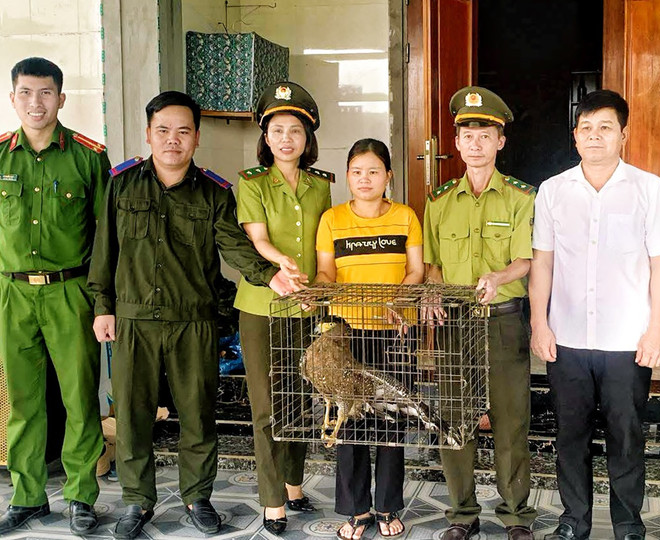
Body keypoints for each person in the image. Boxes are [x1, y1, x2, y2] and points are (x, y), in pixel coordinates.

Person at [86, 91, 279, 539]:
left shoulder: (214, 192)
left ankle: (197, 496)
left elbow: (234, 246)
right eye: (163, 130)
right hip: (133, 318)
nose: (172, 139)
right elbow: (104, 249)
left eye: (183, 131)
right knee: (132, 414)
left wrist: (270, 276)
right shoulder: (121, 184)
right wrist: (102, 307)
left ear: (196, 138)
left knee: (197, 413)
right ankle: (137, 500)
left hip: (193, 320)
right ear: (149, 134)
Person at [530, 90, 660, 540]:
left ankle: (629, 525)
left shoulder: (648, 188)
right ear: (575, 136)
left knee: (626, 435)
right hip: (567, 337)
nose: (594, 137)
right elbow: (543, 262)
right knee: (570, 435)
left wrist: (657, 329)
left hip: (627, 340)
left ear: (623, 135)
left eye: (605, 128)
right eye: (586, 129)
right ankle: (573, 520)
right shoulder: (553, 190)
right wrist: (539, 323)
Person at [0, 57, 109, 536]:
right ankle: (27, 497)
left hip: (70, 291)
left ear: (61, 98)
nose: (35, 102)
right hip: (12, 293)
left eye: (45, 92)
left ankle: (81, 496)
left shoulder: (88, 156)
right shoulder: (0, 156)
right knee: (23, 402)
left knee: (80, 399)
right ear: (12, 98)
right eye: (25, 92)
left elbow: (106, 237)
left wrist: (102, 302)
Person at [422, 86, 536, 540]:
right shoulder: (438, 201)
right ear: (456, 142)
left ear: (500, 141)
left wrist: (497, 276)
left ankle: (515, 515)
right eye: (467, 135)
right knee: (455, 419)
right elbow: (432, 264)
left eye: (485, 135)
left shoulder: (521, 198)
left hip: (503, 320)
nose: (475, 144)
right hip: (454, 322)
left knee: (511, 420)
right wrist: (432, 294)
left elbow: (525, 260)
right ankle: (462, 513)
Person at [234, 81, 332, 534]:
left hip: (307, 307)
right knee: (266, 405)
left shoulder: (319, 186)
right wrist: (282, 264)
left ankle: (294, 484)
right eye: (277, 130)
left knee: (298, 400)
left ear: (307, 138)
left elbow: (324, 243)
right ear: (266, 137)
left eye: (295, 130)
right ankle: (272, 500)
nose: (286, 139)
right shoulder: (251, 182)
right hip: (262, 306)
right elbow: (257, 238)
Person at [314, 138, 423, 539]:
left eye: (374, 171)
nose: (365, 179)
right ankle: (356, 509)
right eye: (357, 172)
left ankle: (388, 506)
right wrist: (319, 291)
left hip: (395, 332)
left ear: (388, 176)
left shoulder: (406, 217)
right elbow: (326, 272)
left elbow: (416, 270)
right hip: (347, 334)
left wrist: (397, 300)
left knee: (392, 420)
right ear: (347, 176)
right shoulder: (332, 219)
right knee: (350, 420)